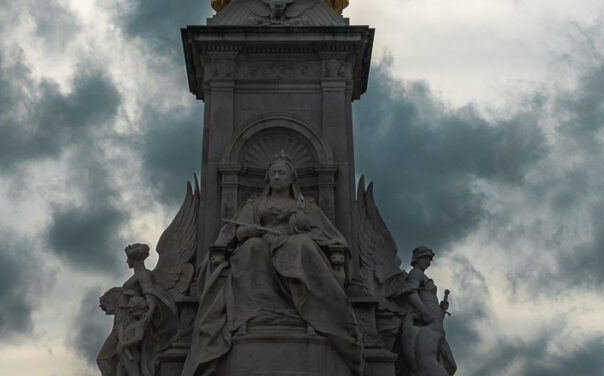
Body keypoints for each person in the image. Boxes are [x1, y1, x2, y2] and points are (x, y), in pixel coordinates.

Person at [182, 155, 364, 376]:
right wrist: (247, 232)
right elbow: (234, 232)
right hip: (262, 243)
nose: (277, 176)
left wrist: (304, 230)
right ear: (268, 178)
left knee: (303, 246)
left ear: (292, 178)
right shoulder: (254, 204)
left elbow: (327, 234)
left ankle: (311, 312)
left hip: (293, 244)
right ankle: (253, 314)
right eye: (273, 173)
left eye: (282, 173)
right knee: (252, 248)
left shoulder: (306, 206)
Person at [98, 244, 178, 376]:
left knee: (104, 358)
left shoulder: (142, 274)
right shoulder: (139, 275)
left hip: (128, 320)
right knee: (115, 360)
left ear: (134, 258)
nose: (126, 261)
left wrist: (150, 310)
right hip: (123, 319)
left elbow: (150, 293)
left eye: (128, 258)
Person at [398, 247, 457, 376]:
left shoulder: (421, 275)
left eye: (429, 259)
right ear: (417, 258)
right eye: (425, 258)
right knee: (441, 364)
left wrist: (440, 310)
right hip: (427, 326)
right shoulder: (416, 273)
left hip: (433, 325)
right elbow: (410, 292)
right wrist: (424, 312)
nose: (428, 262)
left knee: (448, 365)